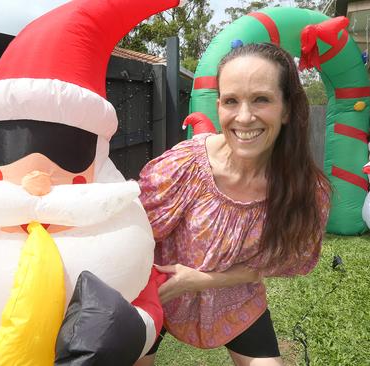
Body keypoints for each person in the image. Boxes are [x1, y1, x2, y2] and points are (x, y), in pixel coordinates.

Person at [135, 42, 331, 366]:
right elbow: (134, 230)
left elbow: (275, 263)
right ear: (219, 106)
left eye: (261, 99)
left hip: (236, 299)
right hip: (160, 289)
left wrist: (202, 280)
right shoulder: (183, 167)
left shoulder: (305, 191)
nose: (244, 117)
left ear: (286, 110)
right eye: (231, 101)